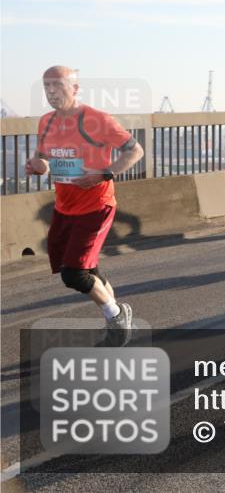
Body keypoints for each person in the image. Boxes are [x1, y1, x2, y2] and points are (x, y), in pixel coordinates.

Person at [25, 66, 144, 345]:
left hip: (96, 205)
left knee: (74, 273)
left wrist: (104, 173)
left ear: (75, 89)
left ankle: (116, 316)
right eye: (47, 87)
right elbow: (43, 160)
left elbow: (135, 151)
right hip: (64, 208)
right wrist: (36, 166)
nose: (52, 92)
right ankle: (117, 321)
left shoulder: (98, 120)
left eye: (58, 85)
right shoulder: (46, 122)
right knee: (89, 271)